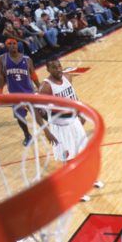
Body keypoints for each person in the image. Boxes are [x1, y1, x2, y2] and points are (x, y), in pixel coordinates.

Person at [36, 58, 104, 202]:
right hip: (60, 128)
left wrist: (80, 113)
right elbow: (36, 109)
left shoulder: (68, 77)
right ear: (48, 70)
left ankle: (89, 180)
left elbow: (73, 97)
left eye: (59, 66)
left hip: (74, 122)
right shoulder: (46, 87)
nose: (58, 69)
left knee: (83, 153)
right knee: (69, 159)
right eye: (54, 67)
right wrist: (46, 131)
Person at [0, 38, 41, 146]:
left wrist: (40, 88)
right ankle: (27, 135)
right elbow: (1, 76)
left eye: (14, 43)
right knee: (20, 117)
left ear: (17, 45)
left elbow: (33, 75)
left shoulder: (27, 59)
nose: (12, 45)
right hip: (15, 94)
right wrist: (0, 92)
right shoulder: (2, 59)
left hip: (29, 92)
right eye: (9, 44)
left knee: (38, 113)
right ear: (6, 46)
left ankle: (49, 129)